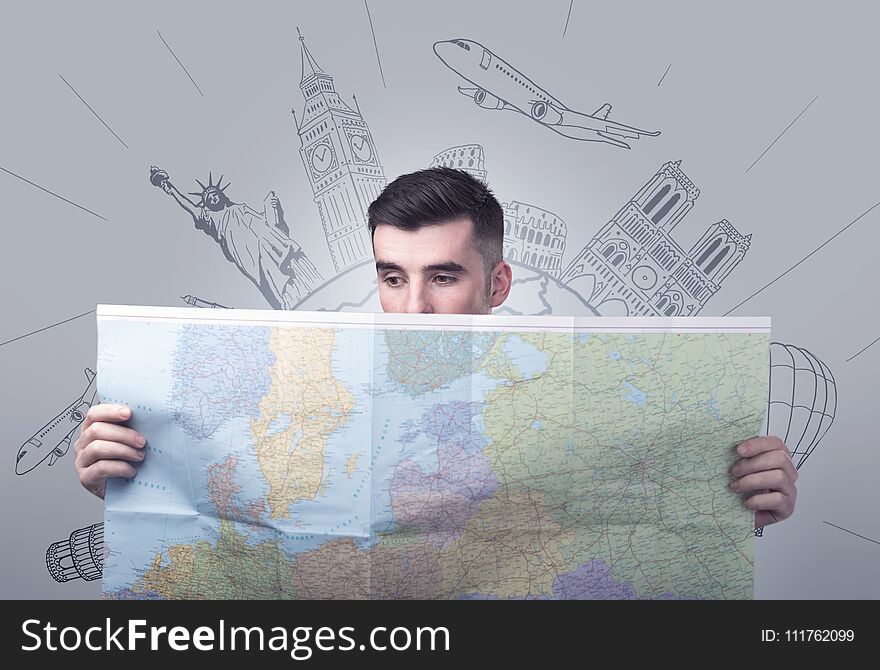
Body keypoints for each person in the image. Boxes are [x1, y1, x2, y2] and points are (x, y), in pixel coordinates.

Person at [75, 167, 797, 529]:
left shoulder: (591, 396)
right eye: (393, 276)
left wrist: (738, 505)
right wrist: (137, 472)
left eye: (444, 276)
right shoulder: (305, 384)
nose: (413, 308)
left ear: (499, 280)